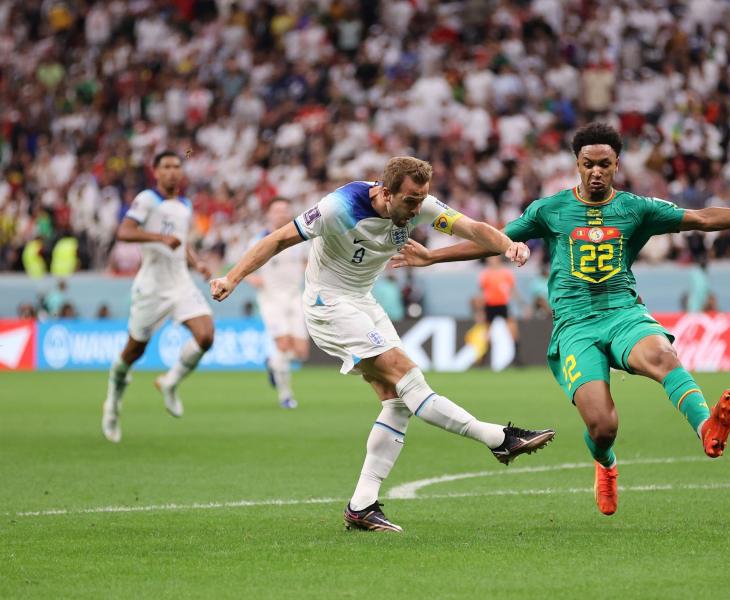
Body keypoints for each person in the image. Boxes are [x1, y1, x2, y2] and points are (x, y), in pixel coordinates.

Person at [392, 123, 730, 516]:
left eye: (604, 164)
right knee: (603, 427)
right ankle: (605, 464)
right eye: (588, 163)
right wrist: (432, 256)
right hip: (575, 327)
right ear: (577, 164)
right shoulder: (551, 210)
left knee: (663, 356)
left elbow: (704, 218)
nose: (596, 171)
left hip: (623, 313)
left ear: (617, 165)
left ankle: (705, 428)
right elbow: (493, 240)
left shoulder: (635, 208)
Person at [210, 156, 555, 532]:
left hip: (362, 301)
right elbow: (277, 239)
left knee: (397, 401)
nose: (417, 208)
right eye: (410, 200)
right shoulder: (337, 208)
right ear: (385, 192)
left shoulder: (418, 206)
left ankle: (362, 506)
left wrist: (508, 246)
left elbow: (470, 227)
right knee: (408, 377)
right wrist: (232, 277)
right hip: (328, 303)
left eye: (421, 199)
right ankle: (498, 438)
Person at [101, 151, 215, 444]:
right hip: (151, 287)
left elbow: (181, 240)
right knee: (133, 352)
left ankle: (169, 382)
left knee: (206, 336)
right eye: (166, 167)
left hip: (180, 282)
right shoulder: (147, 199)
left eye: (177, 166)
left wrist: (196, 262)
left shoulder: (185, 204)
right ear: (156, 172)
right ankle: (112, 403)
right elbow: (124, 231)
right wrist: (160, 239)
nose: (173, 172)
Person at [246, 197, 309, 409]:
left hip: (295, 297)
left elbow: (308, 262)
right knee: (282, 346)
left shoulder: (300, 239)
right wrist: (252, 278)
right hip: (271, 299)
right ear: (269, 214)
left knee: (300, 352)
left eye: (285, 210)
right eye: (277, 210)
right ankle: (286, 396)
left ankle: (272, 364)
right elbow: (244, 265)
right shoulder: (259, 239)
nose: (281, 214)